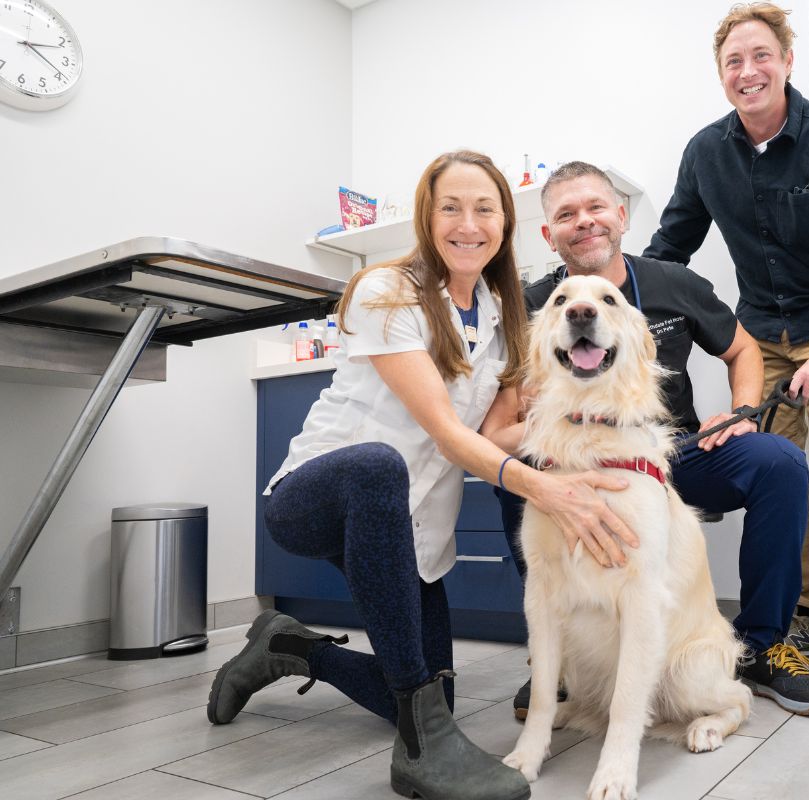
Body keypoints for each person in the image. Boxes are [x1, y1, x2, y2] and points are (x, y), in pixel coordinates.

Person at [206, 151, 640, 800]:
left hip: (409, 529)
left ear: (504, 224)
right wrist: (545, 488)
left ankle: (288, 648)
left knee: (429, 691)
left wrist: (601, 423)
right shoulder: (391, 291)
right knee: (378, 469)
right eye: (451, 208)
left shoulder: (505, 317)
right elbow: (444, 429)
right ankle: (420, 755)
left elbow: (502, 429)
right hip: (315, 497)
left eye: (485, 209)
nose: (469, 224)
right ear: (426, 218)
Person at [486, 162, 809, 717]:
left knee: (779, 461)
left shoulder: (674, 282)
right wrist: (548, 451)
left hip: (676, 456)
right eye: (566, 215)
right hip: (586, 464)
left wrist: (743, 411)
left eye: (596, 207)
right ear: (547, 234)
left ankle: (764, 645)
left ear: (621, 216)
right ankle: (558, 661)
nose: (584, 222)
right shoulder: (531, 306)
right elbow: (498, 431)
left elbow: (743, 349)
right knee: (520, 483)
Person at [643, 2, 809, 682]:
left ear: (785, 61)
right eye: (733, 62)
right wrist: (615, 298)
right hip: (763, 332)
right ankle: (804, 611)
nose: (747, 72)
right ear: (721, 75)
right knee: (781, 468)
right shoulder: (706, 152)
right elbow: (671, 249)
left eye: (760, 57)